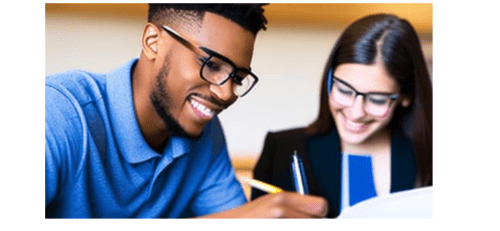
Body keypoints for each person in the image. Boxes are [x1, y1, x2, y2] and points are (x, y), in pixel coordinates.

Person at [45, 3, 328, 218]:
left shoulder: (206, 135)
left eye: (238, 78)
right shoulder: (55, 113)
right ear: (152, 42)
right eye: (212, 65)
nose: (226, 93)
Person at [252, 13, 433, 218]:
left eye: (376, 99)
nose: (356, 113)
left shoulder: (432, 157)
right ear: (329, 79)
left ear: (405, 96)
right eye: (345, 91)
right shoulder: (281, 150)